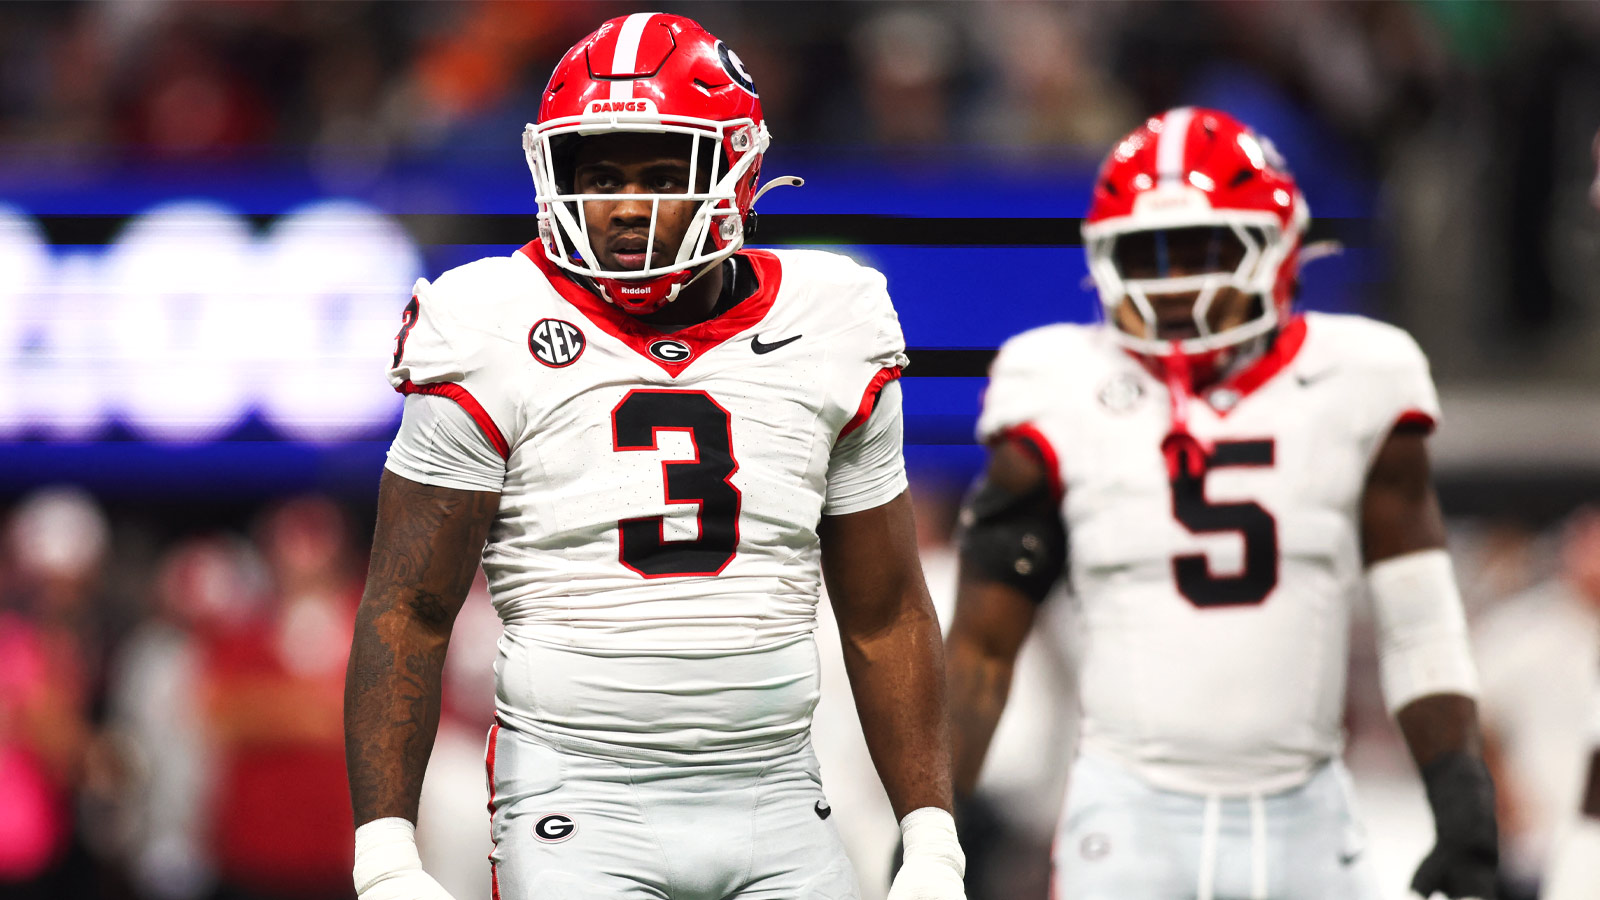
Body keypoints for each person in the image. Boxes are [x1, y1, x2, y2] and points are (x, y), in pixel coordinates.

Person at [343, 14, 964, 900]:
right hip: (576, 803)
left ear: (738, 169)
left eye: (662, 171)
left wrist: (932, 840)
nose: (625, 205)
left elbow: (887, 611)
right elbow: (407, 606)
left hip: (781, 795)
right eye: (598, 174)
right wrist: (386, 857)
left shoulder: (835, 318)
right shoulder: (485, 319)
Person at [943, 108, 1498, 900]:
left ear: (1276, 248)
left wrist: (1460, 792)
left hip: (1304, 805)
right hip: (1129, 810)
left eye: (1205, 249)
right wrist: (933, 829)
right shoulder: (1056, 382)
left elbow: (1418, 616)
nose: (1174, 285)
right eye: (1147, 253)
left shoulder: (1360, 376)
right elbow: (982, 646)